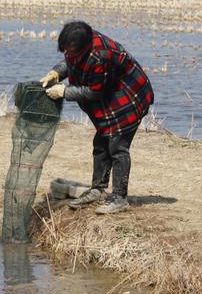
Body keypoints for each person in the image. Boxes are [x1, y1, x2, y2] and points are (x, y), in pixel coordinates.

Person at [41, 21, 153, 215]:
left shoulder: (101, 56)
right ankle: (97, 190)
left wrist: (64, 92)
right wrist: (56, 72)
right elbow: (70, 61)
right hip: (111, 95)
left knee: (117, 146)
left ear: (84, 46)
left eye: (72, 51)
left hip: (129, 97)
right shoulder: (80, 41)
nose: (68, 54)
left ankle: (120, 198)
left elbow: (94, 92)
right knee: (101, 143)